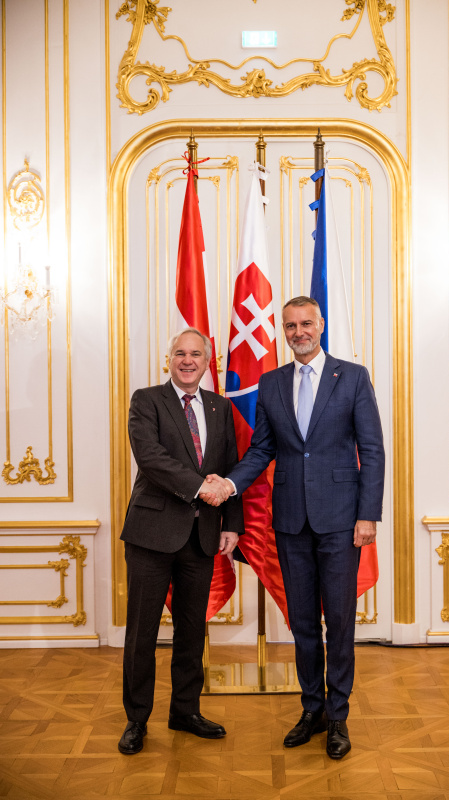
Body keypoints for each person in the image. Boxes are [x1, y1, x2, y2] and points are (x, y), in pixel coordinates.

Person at [203, 296, 385, 760]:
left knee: (339, 622)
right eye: (290, 326)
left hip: (343, 521)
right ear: (283, 331)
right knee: (303, 623)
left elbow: (373, 450)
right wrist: (228, 483)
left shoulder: (354, 376)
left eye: (306, 323)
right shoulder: (271, 382)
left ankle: (339, 717)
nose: (298, 332)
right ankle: (313, 710)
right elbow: (262, 451)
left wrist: (368, 515)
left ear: (320, 325)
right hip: (290, 522)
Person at [118, 328, 244, 755]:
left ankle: (185, 710)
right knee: (142, 632)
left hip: (203, 535)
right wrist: (200, 488)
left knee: (193, 630)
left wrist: (232, 522)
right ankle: (137, 719)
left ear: (207, 362)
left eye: (195, 354)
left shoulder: (220, 407)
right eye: (179, 353)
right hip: (152, 534)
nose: (187, 360)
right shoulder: (147, 399)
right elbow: (151, 458)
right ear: (168, 358)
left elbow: (230, 468)